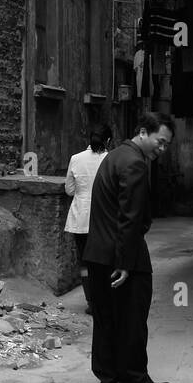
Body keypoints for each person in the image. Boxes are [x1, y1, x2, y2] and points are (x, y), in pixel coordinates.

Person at [84, 111, 176, 383]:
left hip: (97, 254)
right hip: (123, 256)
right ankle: (135, 379)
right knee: (132, 320)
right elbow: (130, 218)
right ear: (143, 132)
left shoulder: (114, 156)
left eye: (166, 145)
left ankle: (108, 378)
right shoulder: (135, 164)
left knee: (106, 320)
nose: (161, 150)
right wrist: (125, 263)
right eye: (160, 142)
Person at [64, 126, 111, 315]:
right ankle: (104, 300)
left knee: (84, 262)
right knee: (103, 262)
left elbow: (69, 189)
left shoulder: (76, 159)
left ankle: (91, 301)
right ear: (108, 141)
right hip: (104, 219)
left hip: (81, 218)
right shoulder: (110, 159)